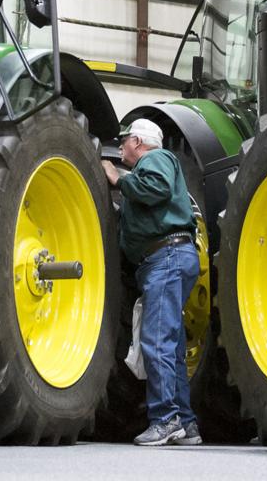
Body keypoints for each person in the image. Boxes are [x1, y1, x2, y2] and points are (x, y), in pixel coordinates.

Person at [101, 118, 201, 446]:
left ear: (139, 142)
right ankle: (186, 423)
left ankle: (164, 419)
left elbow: (155, 188)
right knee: (170, 345)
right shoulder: (153, 164)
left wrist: (118, 178)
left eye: (125, 141)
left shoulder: (156, 158)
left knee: (156, 341)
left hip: (166, 257)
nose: (121, 147)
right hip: (170, 258)